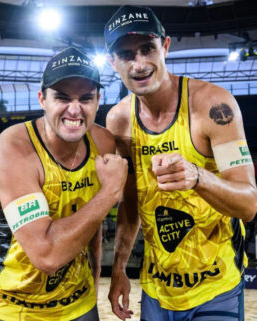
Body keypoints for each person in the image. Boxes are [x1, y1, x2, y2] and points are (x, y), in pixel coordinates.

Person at [104, 5, 257, 321]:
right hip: (157, 293)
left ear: (166, 47)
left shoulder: (214, 106)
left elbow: (249, 204)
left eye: (148, 48)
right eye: (126, 53)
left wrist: (198, 176)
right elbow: (130, 204)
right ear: (112, 62)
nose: (139, 63)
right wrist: (118, 267)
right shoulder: (118, 121)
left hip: (217, 289)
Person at [0, 47, 128, 321]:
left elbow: (92, 226)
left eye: (86, 98)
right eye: (62, 97)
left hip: (79, 305)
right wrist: (109, 192)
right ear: (42, 99)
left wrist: (97, 284)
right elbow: (45, 255)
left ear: (98, 100)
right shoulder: (14, 148)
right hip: (11, 308)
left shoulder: (104, 143)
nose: (75, 109)